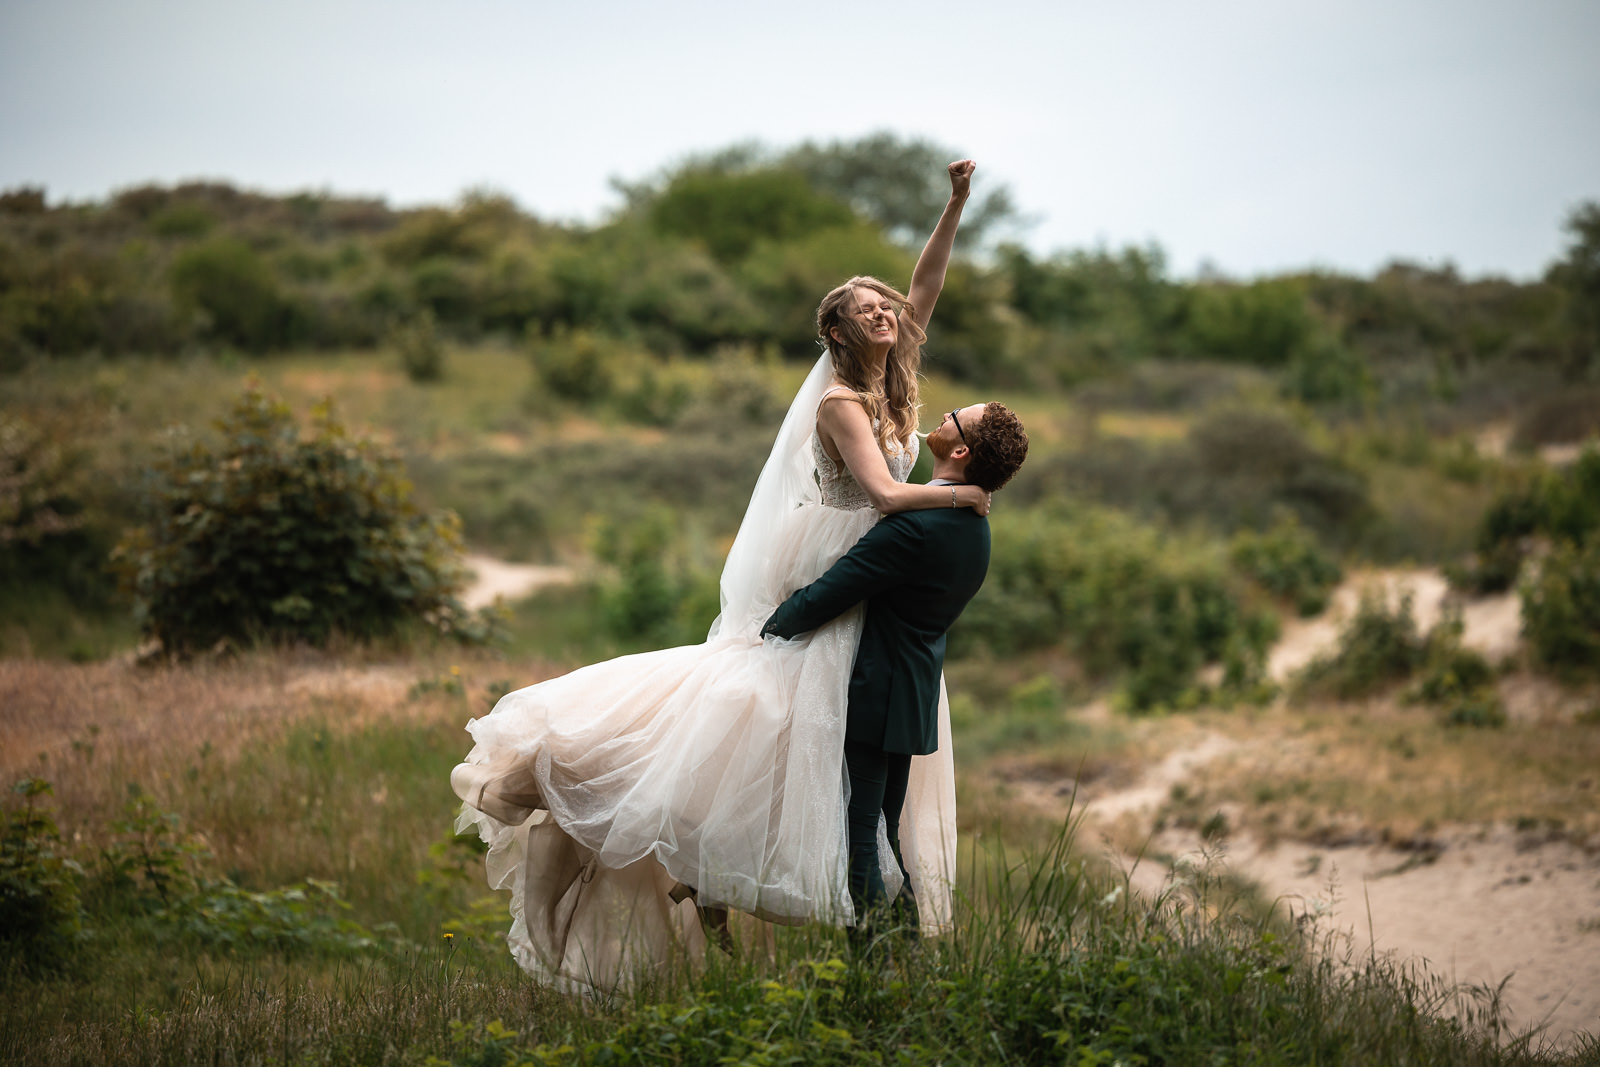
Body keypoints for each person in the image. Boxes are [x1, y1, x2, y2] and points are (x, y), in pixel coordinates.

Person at [451, 160, 984, 992]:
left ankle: (742, 879)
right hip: (831, 564)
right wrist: (959, 496)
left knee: (811, 742)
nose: (887, 311)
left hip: (865, 571)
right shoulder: (842, 401)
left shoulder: (893, 384)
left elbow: (927, 284)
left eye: (887, 304)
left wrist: (953, 203)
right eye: (866, 308)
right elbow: (881, 493)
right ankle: (682, 836)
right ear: (838, 334)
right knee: (766, 714)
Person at [763, 402, 1029, 936]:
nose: (945, 414)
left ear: (959, 450)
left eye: (955, 416)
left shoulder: (916, 529)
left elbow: (828, 594)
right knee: (883, 830)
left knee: (859, 832)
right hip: (911, 692)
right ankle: (905, 954)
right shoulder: (971, 525)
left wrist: (766, 631)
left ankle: (873, 966)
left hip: (873, 692)